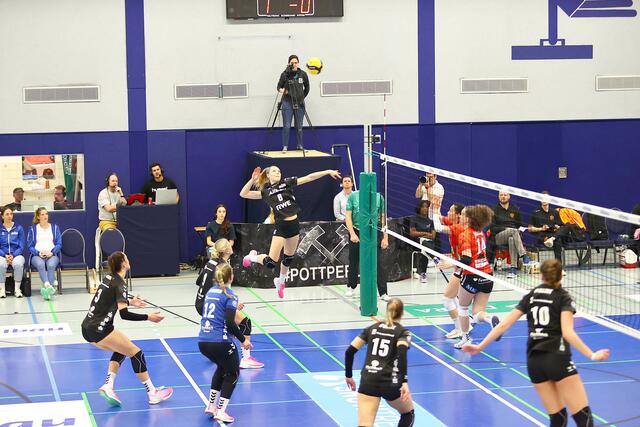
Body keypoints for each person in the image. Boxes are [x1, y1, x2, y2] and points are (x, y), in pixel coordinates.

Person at [463, 259, 610, 427]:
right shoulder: (563, 297)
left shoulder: (531, 296)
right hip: (557, 358)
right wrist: (592, 355)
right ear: (561, 275)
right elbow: (568, 332)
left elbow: (503, 325)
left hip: (535, 363)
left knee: (558, 418)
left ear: (541, 275)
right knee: (583, 418)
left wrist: (479, 347)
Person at [81, 251, 173, 407]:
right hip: (100, 329)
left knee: (122, 350)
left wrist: (130, 302)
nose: (128, 260)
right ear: (123, 263)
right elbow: (124, 315)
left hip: (87, 328)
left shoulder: (109, 278)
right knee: (137, 354)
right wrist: (148, 317)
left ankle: (108, 385)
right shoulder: (120, 283)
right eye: (126, 258)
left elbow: (109, 299)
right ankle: (152, 393)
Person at [240, 166, 341, 298]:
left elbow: (309, 177)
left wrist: (328, 172)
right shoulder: (266, 192)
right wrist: (252, 180)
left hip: (293, 225)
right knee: (271, 262)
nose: (277, 173)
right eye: (274, 171)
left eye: (279, 171)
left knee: (288, 259)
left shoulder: (286, 183)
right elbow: (243, 194)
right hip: (281, 226)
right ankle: (252, 257)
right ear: (268, 175)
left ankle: (280, 281)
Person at [344, 298, 414, 427]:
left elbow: (349, 352)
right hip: (390, 382)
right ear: (402, 313)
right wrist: (404, 382)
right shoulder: (402, 332)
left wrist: (348, 375)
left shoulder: (371, 328)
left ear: (386, 311)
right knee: (408, 413)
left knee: (365, 424)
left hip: (369, 380)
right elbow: (402, 354)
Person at [195, 239, 264, 369]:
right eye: (229, 244)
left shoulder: (211, 262)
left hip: (201, 302)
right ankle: (246, 358)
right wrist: (228, 304)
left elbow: (199, 281)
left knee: (226, 326)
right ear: (226, 250)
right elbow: (220, 288)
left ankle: (217, 352)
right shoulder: (222, 266)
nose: (231, 246)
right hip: (209, 303)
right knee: (244, 322)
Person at [198, 262, 252, 423]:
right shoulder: (230, 295)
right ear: (231, 277)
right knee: (233, 373)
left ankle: (211, 405)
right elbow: (230, 322)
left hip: (203, 341)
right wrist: (243, 340)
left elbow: (219, 314)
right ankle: (221, 410)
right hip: (219, 341)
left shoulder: (210, 292)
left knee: (222, 367)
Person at [454, 205, 500, 349]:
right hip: (487, 275)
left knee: (462, 307)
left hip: (472, 275)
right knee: (477, 313)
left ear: (469, 219)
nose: (460, 217)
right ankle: (489, 318)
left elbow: (467, 259)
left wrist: (450, 263)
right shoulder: (480, 233)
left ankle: (465, 338)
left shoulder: (465, 235)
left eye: (462, 215)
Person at [345, 189, 390, 301]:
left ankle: (383, 292)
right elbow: (348, 216)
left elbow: (383, 219)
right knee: (354, 261)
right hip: (357, 230)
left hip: (373, 231)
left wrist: (385, 237)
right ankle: (351, 286)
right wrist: (352, 234)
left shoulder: (379, 197)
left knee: (378, 262)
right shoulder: (353, 196)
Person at [432, 203, 468, 339]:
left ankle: (460, 329)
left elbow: (437, 227)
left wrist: (451, 263)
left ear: (458, 215)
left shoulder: (458, 227)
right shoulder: (452, 221)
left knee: (447, 299)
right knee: (455, 298)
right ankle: (464, 326)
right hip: (460, 265)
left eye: (450, 210)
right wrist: (435, 206)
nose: (447, 212)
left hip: (463, 266)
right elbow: (435, 217)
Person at [489, 191, 532, 279]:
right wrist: (506, 229)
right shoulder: (493, 209)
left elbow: (519, 225)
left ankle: (513, 269)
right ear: (498, 196)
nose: (503, 197)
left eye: (505, 195)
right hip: (498, 236)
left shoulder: (514, 208)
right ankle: (524, 255)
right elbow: (493, 228)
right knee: (513, 231)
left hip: (513, 235)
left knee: (512, 239)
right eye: (501, 195)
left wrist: (519, 230)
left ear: (509, 196)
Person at [27, 207, 61, 300]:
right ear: (38, 217)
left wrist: (52, 252)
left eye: (46, 214)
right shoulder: (33, 229)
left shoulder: (54, 227)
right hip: (37, 256)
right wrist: (38, 253)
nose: (45, 216)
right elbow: (30, 246)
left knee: (51, 265)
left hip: (52, 255)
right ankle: (48, 285)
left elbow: (59, 243)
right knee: (40, 264)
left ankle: (47, 290)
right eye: (42, 214)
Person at [277, 54, 310, 152]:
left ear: (298, 63)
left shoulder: (303, 74)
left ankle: (300, 145)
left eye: (296, 62)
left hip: (299, 103)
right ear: (289, 63)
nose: (294, 64)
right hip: (287, 102)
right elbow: (278, 87)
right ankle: (285, 146)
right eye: (292, 63)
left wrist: (301, 97)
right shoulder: (285, 74)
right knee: (287, 125)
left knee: (299, 126)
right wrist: (283, 91)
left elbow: (307, 87)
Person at [0, 206, 25, 298]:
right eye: (7, 214)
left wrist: (13, 255)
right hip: (2, 255)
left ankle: (17, 289)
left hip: (17, 254)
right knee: (0, 265)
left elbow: (21, 246)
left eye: (11, 214)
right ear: (2, 216)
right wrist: (5, 255)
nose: (9, 216)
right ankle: (2, 290)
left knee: (18, 264)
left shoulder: (19, 228)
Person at [409, 200, 436, 283]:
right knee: (423, 243)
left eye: (427, 207)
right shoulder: (414, 219)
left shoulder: (430, 221)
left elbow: (433, 236)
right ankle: (434, 258)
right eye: (423, 207)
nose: (425, 209)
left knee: (425, 248)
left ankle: (423, 274)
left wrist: (421, 234)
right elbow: (412, 233)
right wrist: (425, 233)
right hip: (417, 242)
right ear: (419, 208)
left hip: (429, 243)